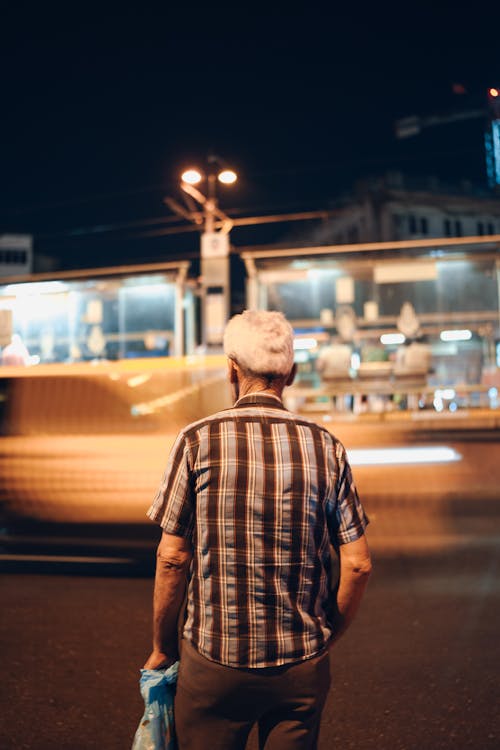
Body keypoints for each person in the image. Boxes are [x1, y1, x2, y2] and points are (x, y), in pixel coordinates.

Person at [144, 310, 372, 750]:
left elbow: (172, 557)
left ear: (231, 368)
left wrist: (162, 647)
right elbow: (358, 565)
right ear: (292, 372)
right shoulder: (326, 446)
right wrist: (325, 637)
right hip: (301, 664)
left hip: (215, 663)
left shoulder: (196, 441)